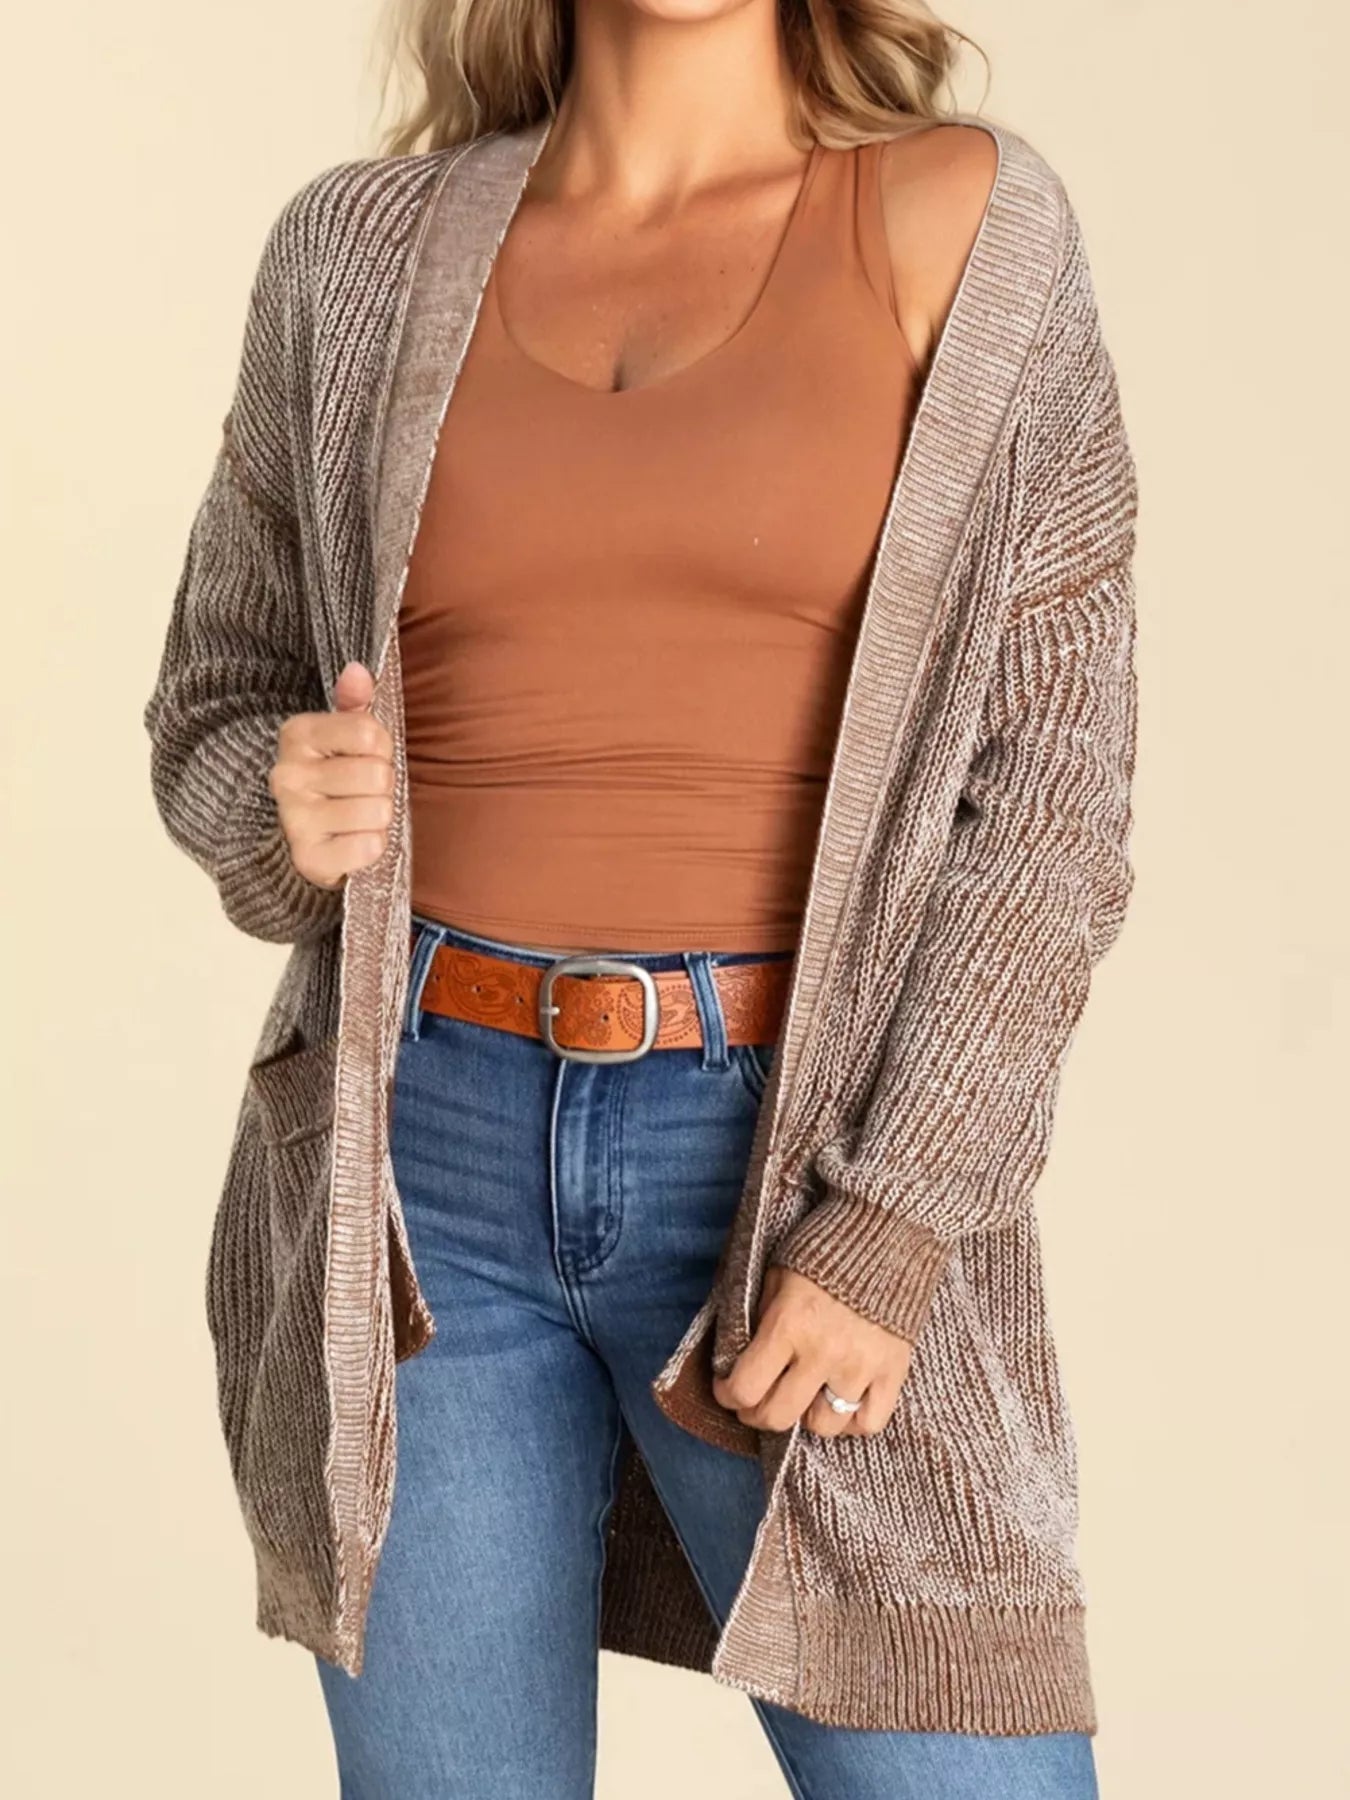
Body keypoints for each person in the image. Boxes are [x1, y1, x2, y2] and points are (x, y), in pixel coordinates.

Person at [142, 0, 1139, 1794]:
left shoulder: (962, 224)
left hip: (789, 1164)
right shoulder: (353, 252)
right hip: (416, 1178)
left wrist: (888, 1221)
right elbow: (217, 699)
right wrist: (281, 805)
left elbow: (1053, 799)